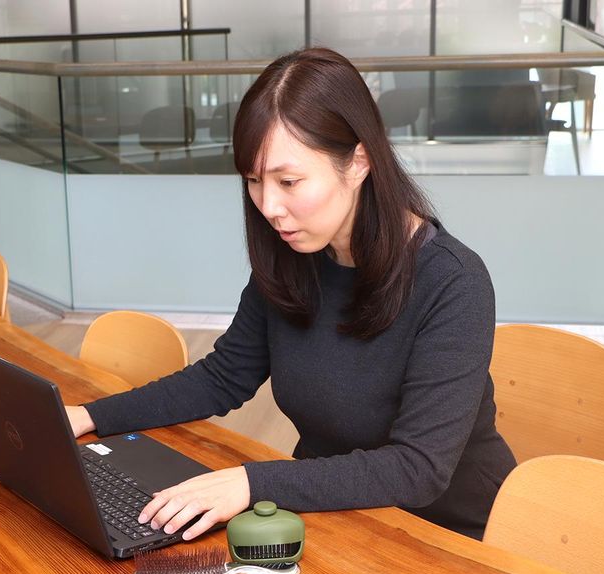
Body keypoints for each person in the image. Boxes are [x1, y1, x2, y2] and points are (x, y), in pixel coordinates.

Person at [65, 47, 516, 541]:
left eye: (288, 181)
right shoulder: (295, 255)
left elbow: (418, 468)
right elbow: (222, 377)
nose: (269, 207)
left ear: (359, 162)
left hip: (448, 537)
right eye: (254, 181)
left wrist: (251, 483)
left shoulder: (453, 281)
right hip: (333, 516)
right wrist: (88, 417)